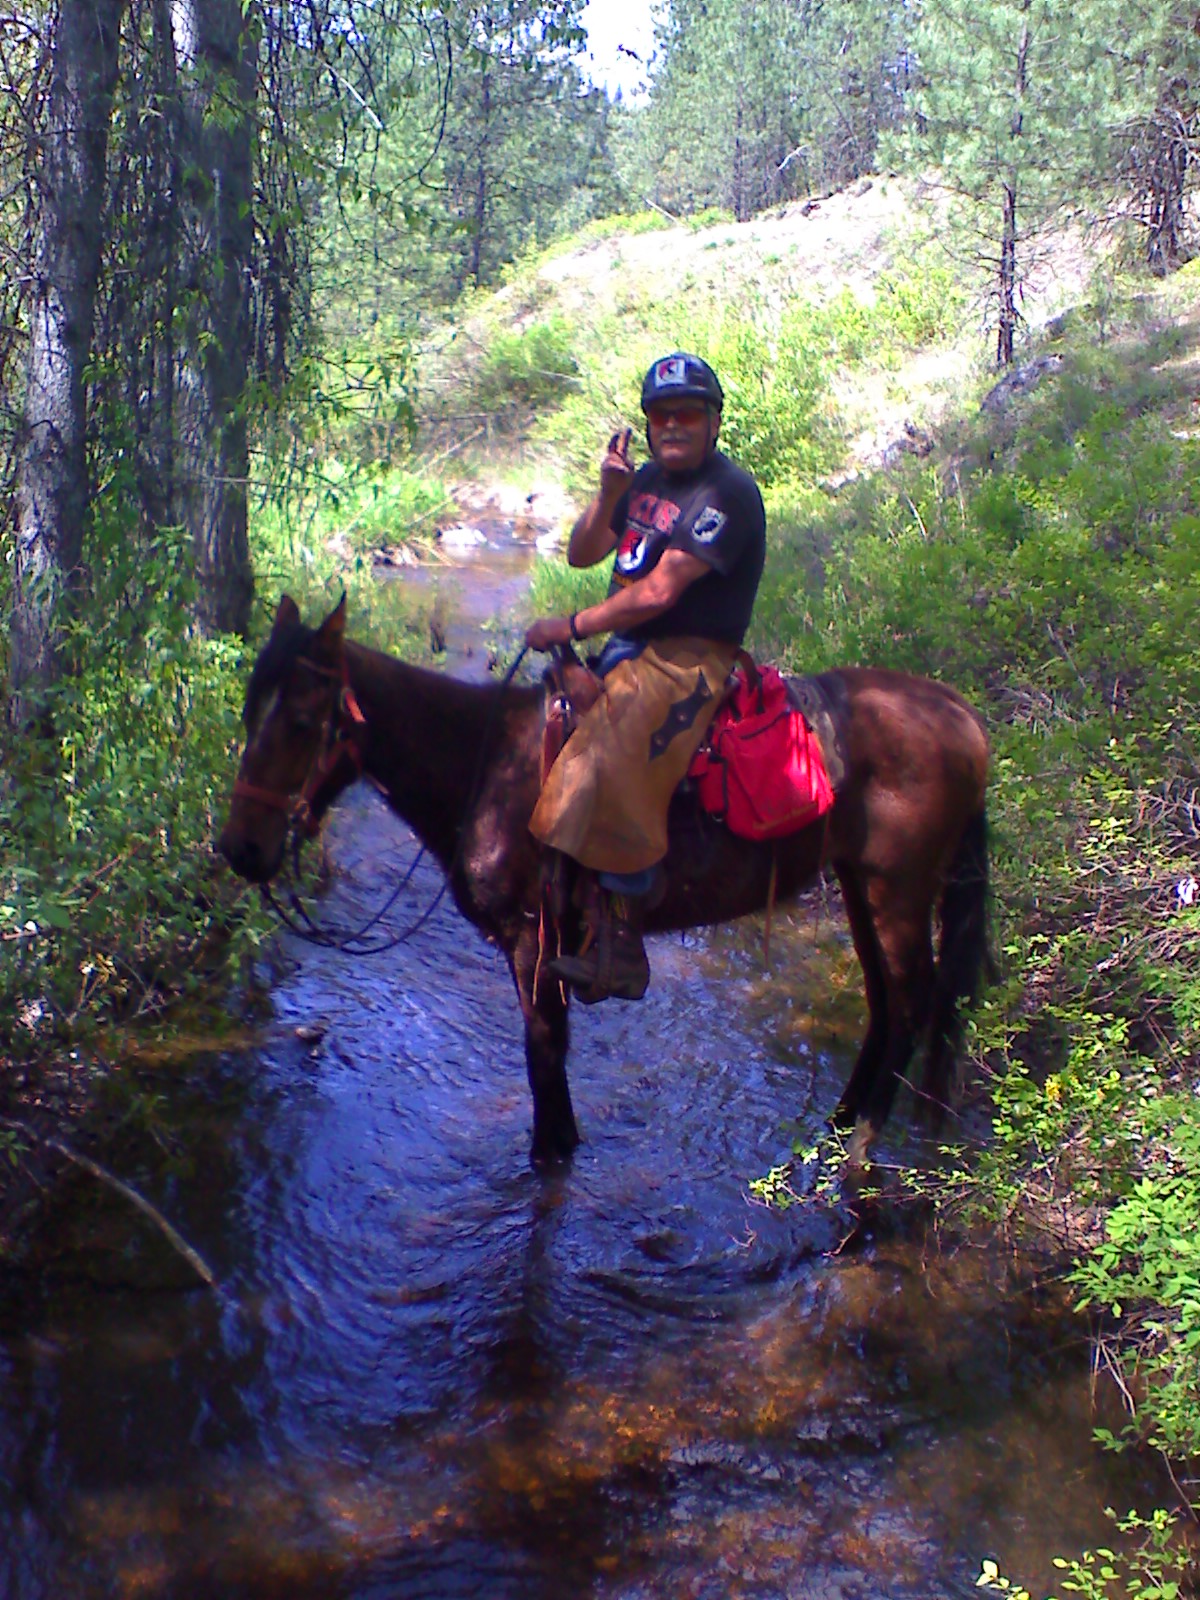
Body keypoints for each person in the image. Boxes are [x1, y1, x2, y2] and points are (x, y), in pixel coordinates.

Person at [524, 351, 767, 1003]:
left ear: (714, 421)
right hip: (629, 643)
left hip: (691, 652)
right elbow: (582, 553)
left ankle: (624, 937)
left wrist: (572, 625)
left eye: (688, 412)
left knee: (617, 739)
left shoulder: (726, 493)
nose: (673, 425)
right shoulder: (647, 481)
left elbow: (660, 591)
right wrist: (609, 493)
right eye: (661, 416)